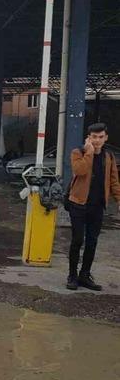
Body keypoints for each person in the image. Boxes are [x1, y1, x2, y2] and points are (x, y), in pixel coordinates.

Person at [66, 123, 120, 291]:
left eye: (100, 137)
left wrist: (119, 200)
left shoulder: (109, 157)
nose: (97, 140)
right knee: (77, 240)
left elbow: (114, 182)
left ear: (106, 138)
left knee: (92, 242)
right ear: (88, 138)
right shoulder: (78, 153)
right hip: (78, 204)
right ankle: (72, 276)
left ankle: (85, 275)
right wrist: (89, 152)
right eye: (94, 137)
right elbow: (80, 170)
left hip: (97, 206)